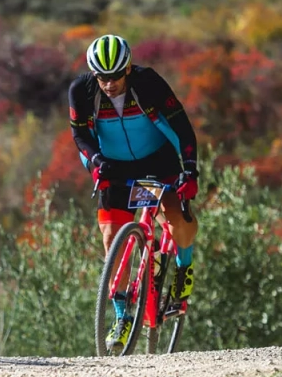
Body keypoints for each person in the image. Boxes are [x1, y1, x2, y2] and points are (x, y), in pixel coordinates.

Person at [68, 34, 200, 348]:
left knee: (176, 216)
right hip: (115, 165)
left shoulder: (148, 82)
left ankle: (184, 269)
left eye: (115, 76)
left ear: (128, 68)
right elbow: (80, 137)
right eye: (102, 77)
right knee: (111, 238)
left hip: (158, 159)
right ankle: (122, 316)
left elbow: (181, 126)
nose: (109, 83)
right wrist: (96, 162)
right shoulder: (81, 91)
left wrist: (190, 169)